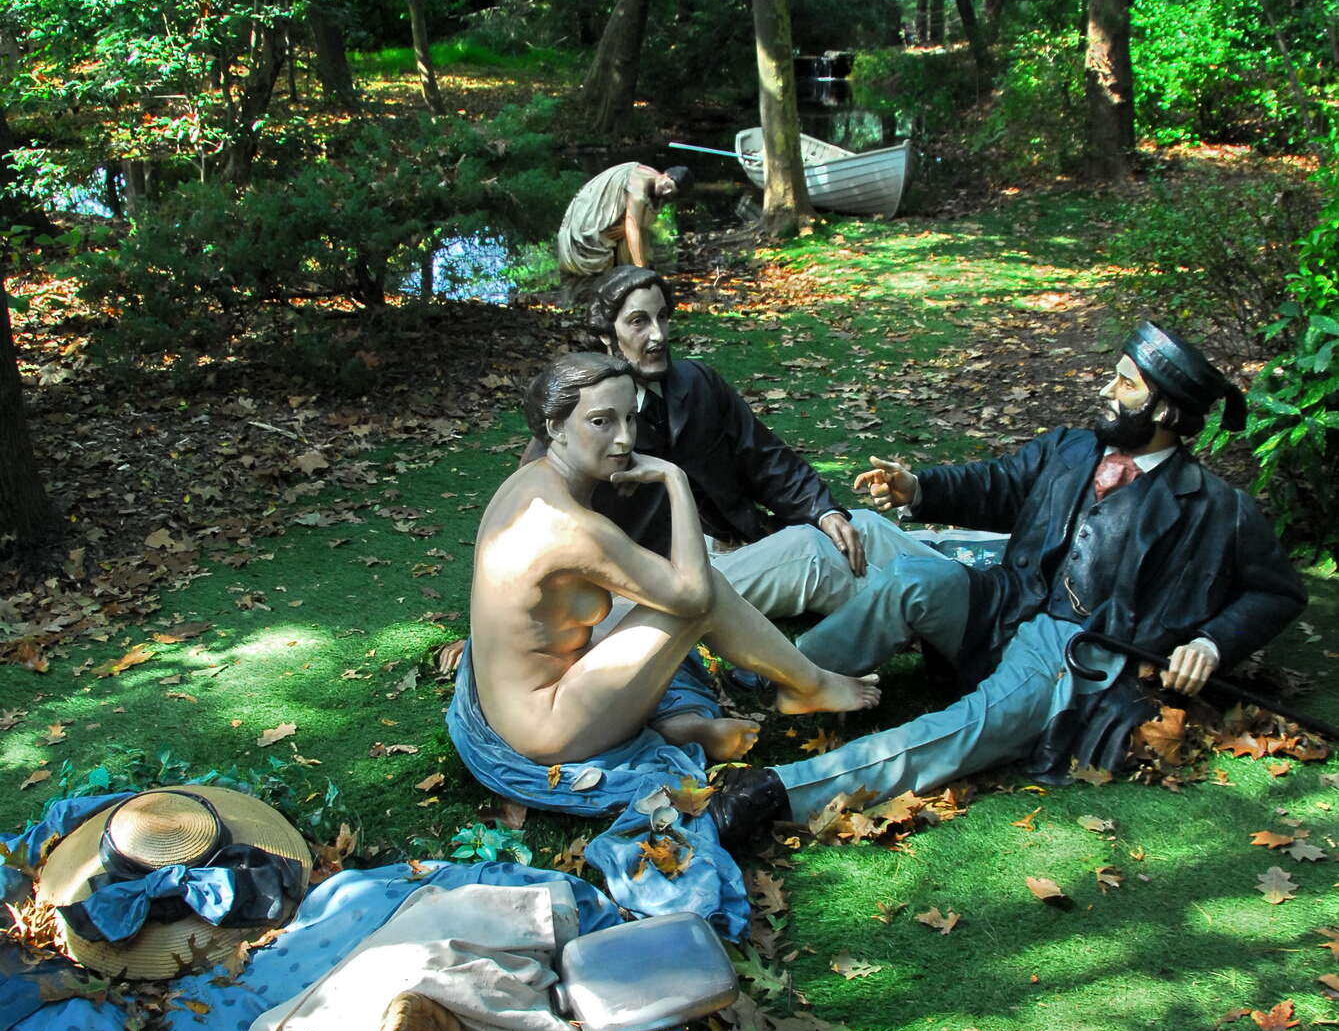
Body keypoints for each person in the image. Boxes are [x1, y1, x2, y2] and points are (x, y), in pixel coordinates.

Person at [706, 321, 1308, 838]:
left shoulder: (1217, 508)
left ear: (1166, 412)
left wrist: (1210, 644)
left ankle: (782, 791)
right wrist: (919, 488)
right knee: (914, 577)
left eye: (1125, 384)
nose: (1106, 389)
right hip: (1006, 607)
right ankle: (783, 677)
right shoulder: (1071, 449)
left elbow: (1277, 591)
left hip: (1078, 657)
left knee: (960, 728)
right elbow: (998, 484)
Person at [466, 351, 879, 782]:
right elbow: (695, 594)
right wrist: (674, 480)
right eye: (601, 422)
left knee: (662, 600)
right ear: (555, 427)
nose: (624, 439)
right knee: (703, 595)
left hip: (524, 700)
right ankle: (808, 685)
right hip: (547, 727)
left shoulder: (530, 481)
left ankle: (682, 725)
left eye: (630, 418)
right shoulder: (570, 527)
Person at [577, 265, 908, 625]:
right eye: (639, 322)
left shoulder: (697, 382)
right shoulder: (586, 416)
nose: (658, 335)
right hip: (674, 578)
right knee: (809, 550)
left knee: (864, 526)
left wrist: (823, 511)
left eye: (663, 317)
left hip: (744, 542)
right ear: (607, 335)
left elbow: (764, 459)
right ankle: (919, 612)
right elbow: (548, 500)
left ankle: (952, 581)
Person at [556, 163, 691, 287]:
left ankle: (627, 273)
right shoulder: (640, 182)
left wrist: (628, 228)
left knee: (634, 236)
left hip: (613, 225)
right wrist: (642, 272)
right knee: (628, 239)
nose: (666, 192)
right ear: (665, 174)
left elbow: (640, 223)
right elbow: (633, 226)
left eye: (671, 194)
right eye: (668, 186)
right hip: (589, 221)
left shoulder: (656, 190)